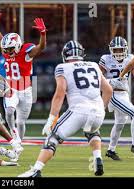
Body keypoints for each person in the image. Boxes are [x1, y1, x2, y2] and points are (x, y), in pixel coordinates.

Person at [18, 40, 113, 177]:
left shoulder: (62, 67)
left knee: (53, 137)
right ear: (81, 54)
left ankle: (36, 170)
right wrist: (100, 109)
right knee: (93, 131)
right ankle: (98, 158)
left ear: (65, 55)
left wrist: (51, 118)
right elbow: (108, 90)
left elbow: (60, 93)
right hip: (98, 111)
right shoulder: (94, 65)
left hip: (79, 110)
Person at [0, 13, 47, 148]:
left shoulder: (26, 51)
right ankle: (13, 135)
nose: (7, 52)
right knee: (9, 112)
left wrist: (43, 34)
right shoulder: (7, 51)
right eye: (6, 49)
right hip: (12, 89)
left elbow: (41, 48)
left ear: (17, 45)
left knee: (21, 122)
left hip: (27, 90)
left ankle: (19, 144)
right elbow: (0, 41)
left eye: (10, 49)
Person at [99, 37, 134, 160]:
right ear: (111, 50)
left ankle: (111, 150)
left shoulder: (130, 58)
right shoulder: (106, 59)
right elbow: (98, 76)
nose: (118, 52)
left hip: (124, 94)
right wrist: (110, 82)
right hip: (112, 93)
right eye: (115, 50)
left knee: (119, 124)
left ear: (125, 49)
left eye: (120, 49)